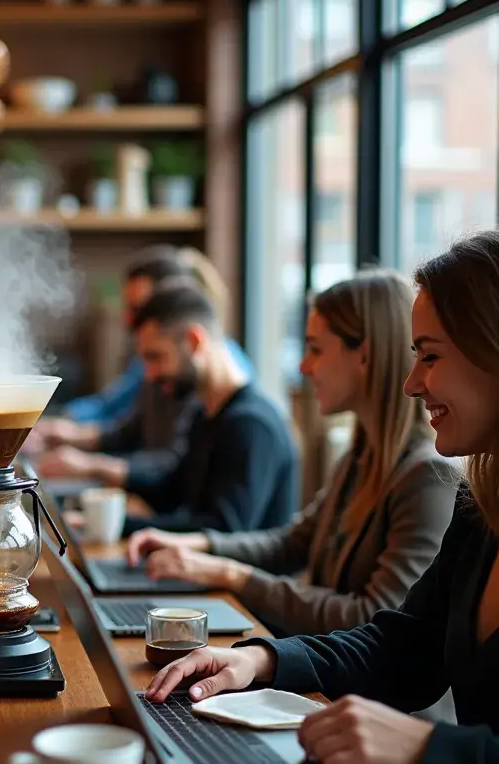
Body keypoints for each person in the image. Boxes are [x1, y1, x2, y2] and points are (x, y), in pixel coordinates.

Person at [145, 232, 499, 764]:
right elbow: (405, 644)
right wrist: (261, 661)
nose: (415, 384)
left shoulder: (433, 481)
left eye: (432, 356)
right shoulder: (480, 510)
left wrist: (426, 748)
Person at [126, 270, 458, 638]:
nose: (303, 366)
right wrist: (197, 545)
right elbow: (292, 543)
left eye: (315, 349)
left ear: (364, 355)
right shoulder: (359, 459)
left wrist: (227, 573)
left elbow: (372, 617)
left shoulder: (427, 478)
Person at [43, 279, 297, 534]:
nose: (151, 375)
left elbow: (222, 530)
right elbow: (171, 491)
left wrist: (120, 525)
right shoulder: (205, 414)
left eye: (156, 357)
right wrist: (101, 521)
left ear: (194, 341)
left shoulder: (250, 424)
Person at [33, 246, 253, 490]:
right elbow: (123, 421)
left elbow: (172, 467)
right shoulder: (160, 363)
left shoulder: (205, 378)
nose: (129, 320)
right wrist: (63, 429)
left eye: (139, 308)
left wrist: (92, 464)